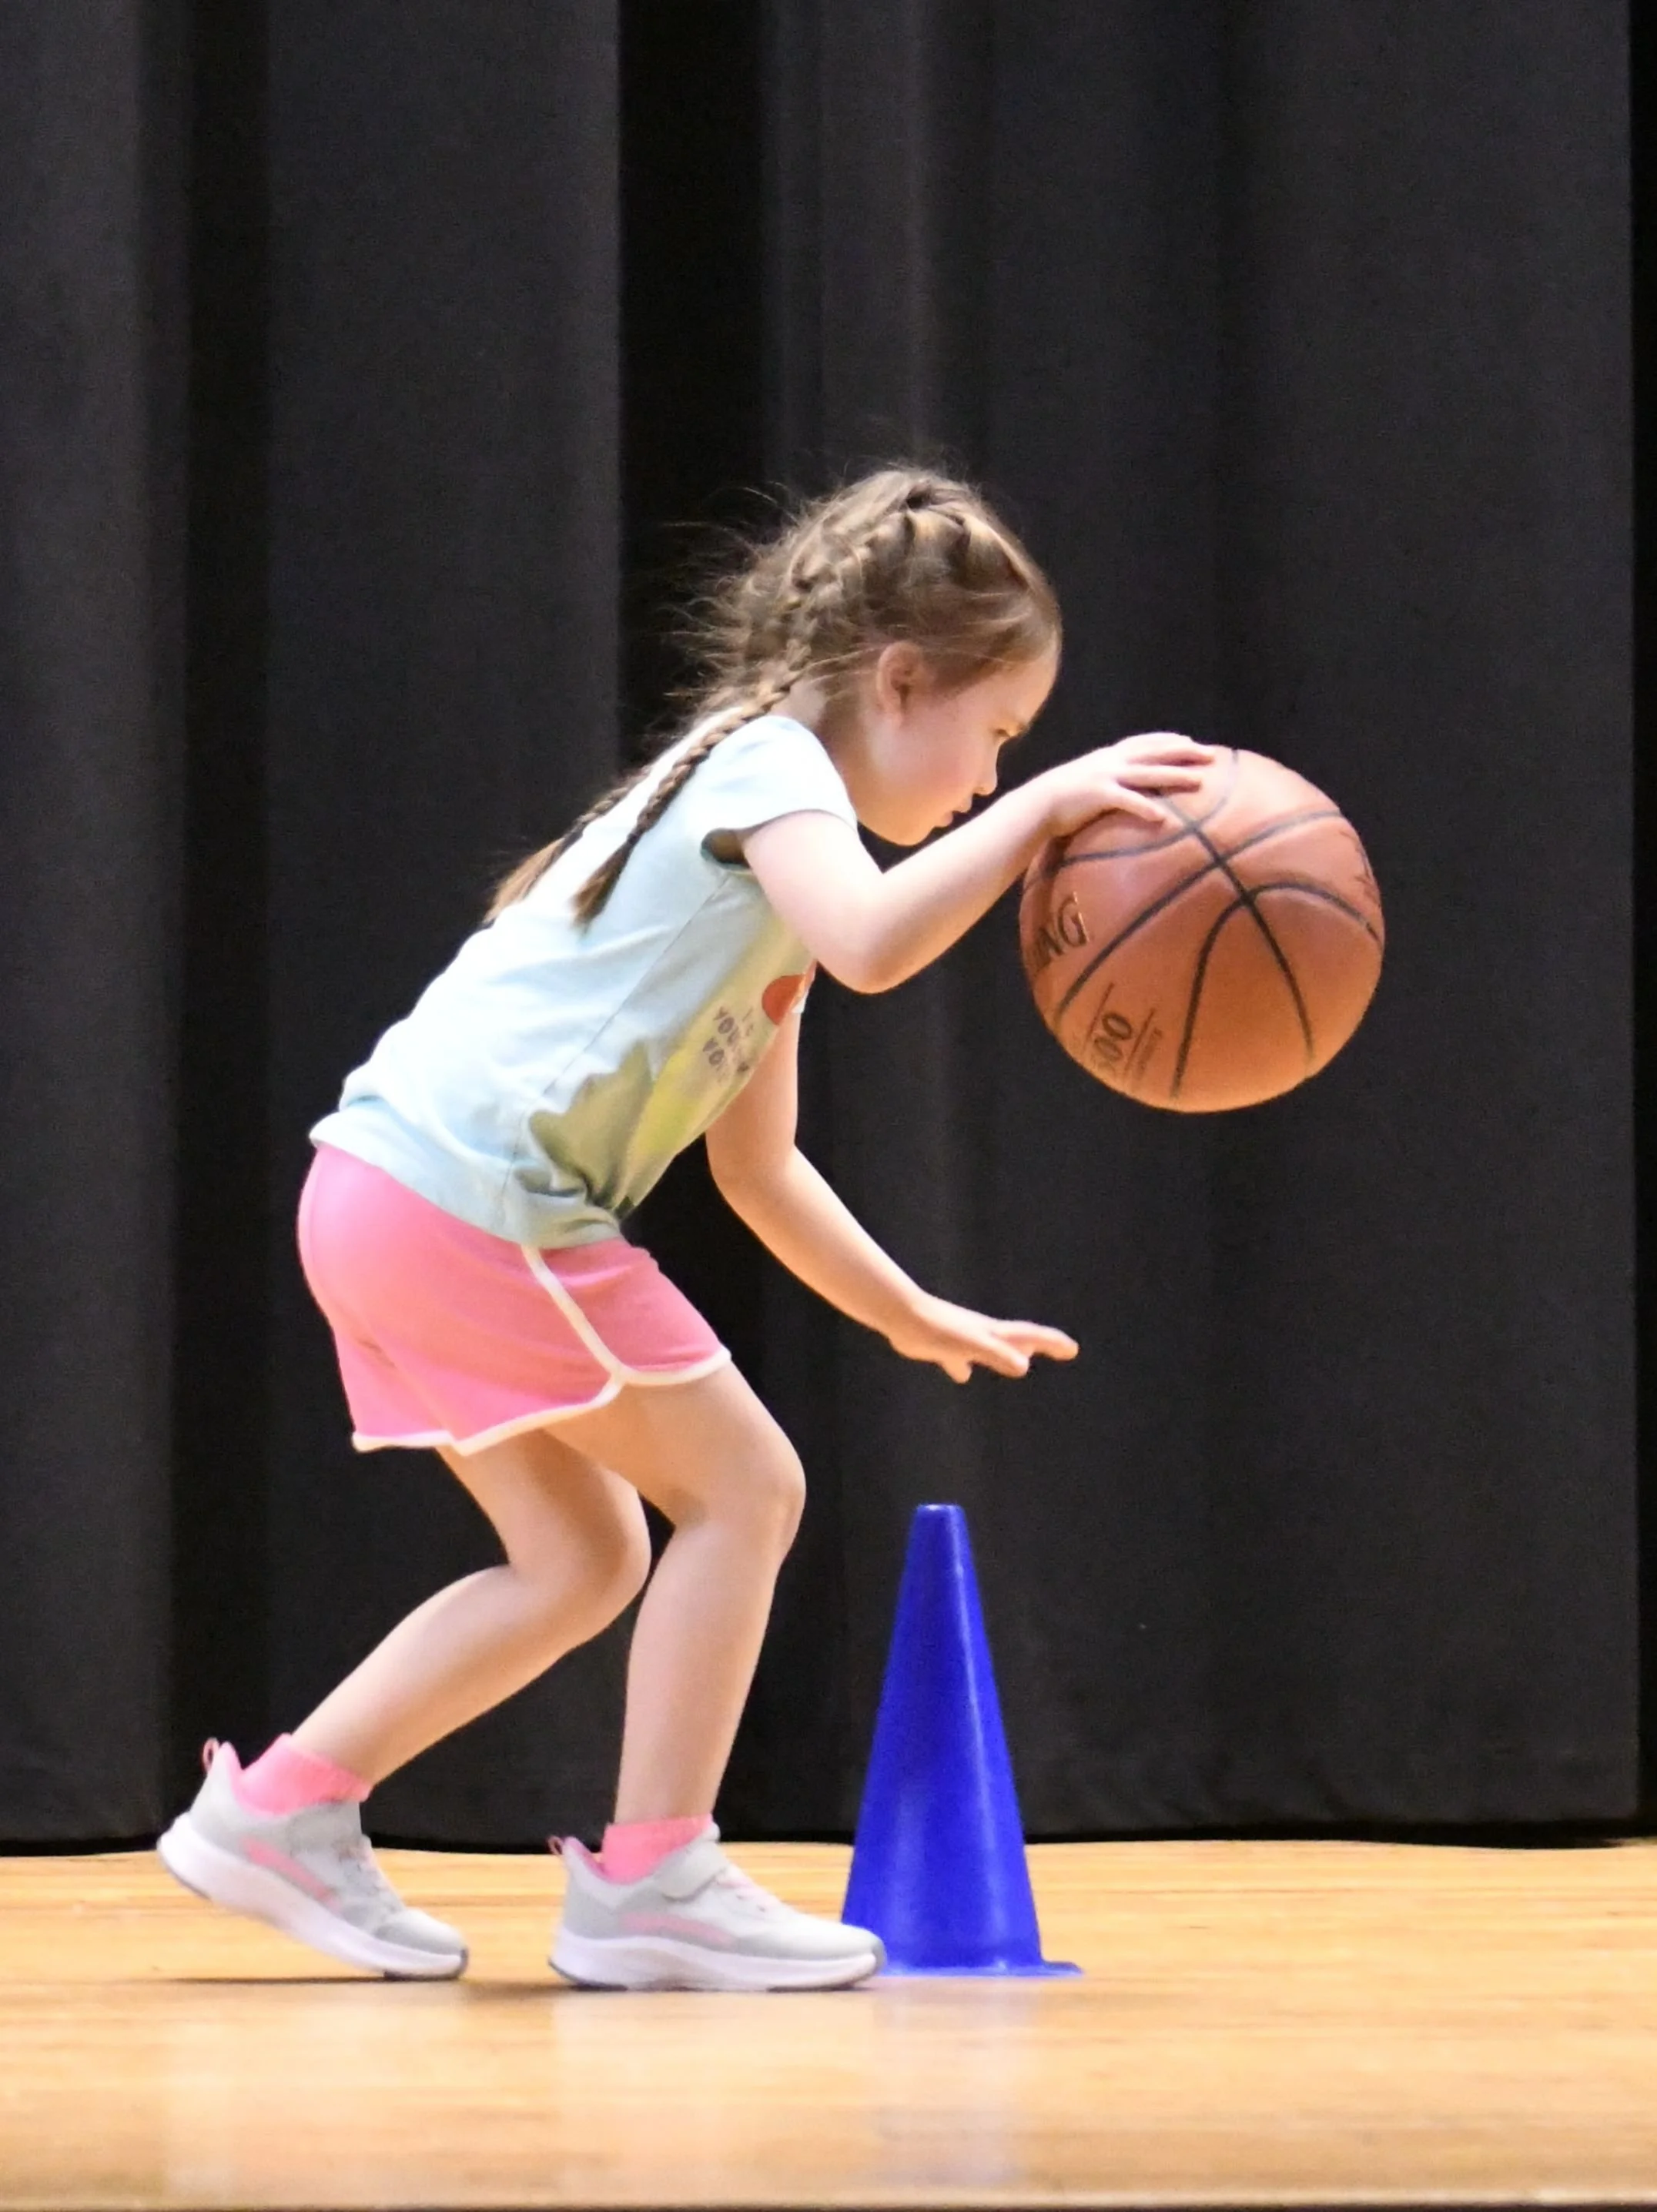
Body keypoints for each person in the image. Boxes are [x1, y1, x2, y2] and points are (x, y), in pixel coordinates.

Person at [157, 467, 1213, 1990]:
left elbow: (762, 1168)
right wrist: (1058, 809)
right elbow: (875, 942)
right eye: (993, 736)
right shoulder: (767, 769)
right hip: (470, 1197)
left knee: (580, 1556)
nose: (994, 779)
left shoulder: (755, 862)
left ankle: (281, 1811)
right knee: (748, 1486)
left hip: (383, 1192)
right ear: (897, 680)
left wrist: (907, 1307)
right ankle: (652, 1878)